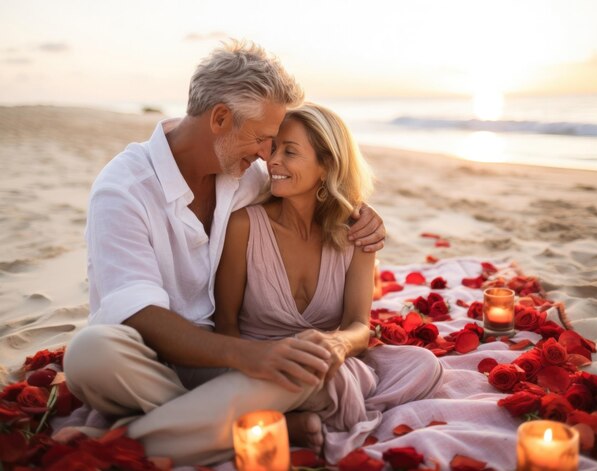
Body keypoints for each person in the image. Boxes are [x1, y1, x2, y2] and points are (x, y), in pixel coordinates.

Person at [62, 40, 386, 466]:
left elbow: (311, 192)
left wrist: (363, 216)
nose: (266, 155)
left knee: (308, 366)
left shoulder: (244, 175)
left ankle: (126, 444)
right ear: (219, 118)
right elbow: (139, 314)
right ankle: (264, 421)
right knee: (88, 353)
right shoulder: (122, 191)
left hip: (228, 363)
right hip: (152, 361)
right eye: (263, 139)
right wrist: (253, 356)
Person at [214, 103, 443, 463]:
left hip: (326, 361)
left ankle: (301, 412)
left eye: (290, 152)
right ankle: (293, 418)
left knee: (425, 364)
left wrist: (337, 344)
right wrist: (246, 367)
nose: (273, 161)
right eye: (273, 148)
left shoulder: (355, 234)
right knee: (330, 380)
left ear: (327, 166)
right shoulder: (244, 226)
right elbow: (225, 323)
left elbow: (358, 326)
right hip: (261, 365)